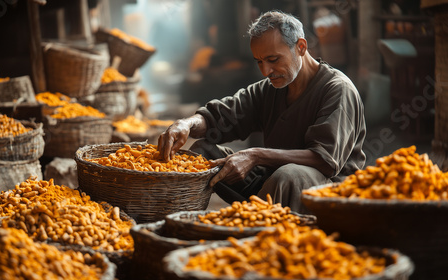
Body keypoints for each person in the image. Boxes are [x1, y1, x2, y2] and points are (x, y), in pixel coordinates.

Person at [157, 10, 366, 213]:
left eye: (273, 60)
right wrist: (187, 124)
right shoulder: (271, 88)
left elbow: (325, 160)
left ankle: (264, 230)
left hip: (328, 193)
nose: (266, 71)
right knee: (201, 153)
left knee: (287, 176)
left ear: (301, 47)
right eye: (259, 61)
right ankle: (187, 221)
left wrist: (256, 155)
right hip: (273, 182)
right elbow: (222, 116)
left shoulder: (337, 89)